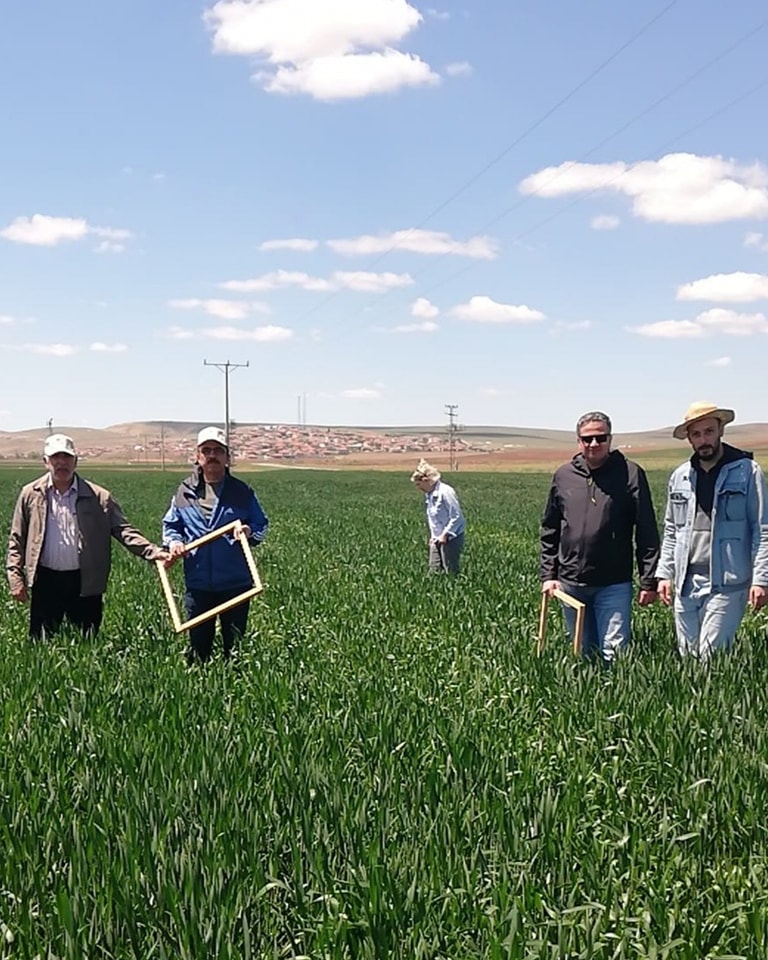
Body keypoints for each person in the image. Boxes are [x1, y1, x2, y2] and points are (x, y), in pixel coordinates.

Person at [6, 433, 168, 640]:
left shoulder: (99, 497)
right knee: (42, 645)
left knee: (86, 644)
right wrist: (15, 577)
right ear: (45, 461)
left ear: (75, 461)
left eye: (67, 457)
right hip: (45, 581)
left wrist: (153, 553)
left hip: (84, 583)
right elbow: (17, 539)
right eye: (56, 457)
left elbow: (124, 530)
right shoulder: (31, 494)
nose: (61, 463)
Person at [540, 411, 660, 663]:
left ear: (610, 439)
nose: (594, 444)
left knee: (614, 654)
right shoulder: (564, 476)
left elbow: (647, 529)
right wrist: (548, 575)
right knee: (582, 653)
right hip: (570, 582)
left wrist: (648, 580)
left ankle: (616, 701)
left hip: (613, 583)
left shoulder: (630, 474)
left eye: (600, 438)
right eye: (587, 439)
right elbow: (550, 528)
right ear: (578, 441)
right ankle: (583, 701)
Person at [656, 401, 768, 659]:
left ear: (721, 431)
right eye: (696, 434)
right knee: (688, 658)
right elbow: (672, 529)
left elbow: (762, 529)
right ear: (689, 440)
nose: (703, 439)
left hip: (727, 582)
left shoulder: (747, 472)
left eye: (709, 431)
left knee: (711, 660)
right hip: (686, 583)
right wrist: (664, 574)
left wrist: (761, 579)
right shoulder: (681, 476)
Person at [162, 426, 268, 664]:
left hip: (236, 585)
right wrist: (175, 542)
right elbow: (171, 526)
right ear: (197, 456)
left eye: (218, 451)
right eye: (206, 450)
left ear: (227, 457)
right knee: (199, 652)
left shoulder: (242, 492)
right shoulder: (183, 492)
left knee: (236, 652)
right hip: (199, 584)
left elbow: (261, 525)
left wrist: (249, 531)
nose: (212, 455)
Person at [410, 459, 465, 574]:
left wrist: (445, 534)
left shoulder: (445, 492)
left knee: (450, 569)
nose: (418, 487)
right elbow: (433, 518)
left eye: (418, 484)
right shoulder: (429, 494)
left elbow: (456, 516)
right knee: (434, 570)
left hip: (451, 537)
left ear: (426, 480)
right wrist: (433, 536)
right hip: (437, 538)